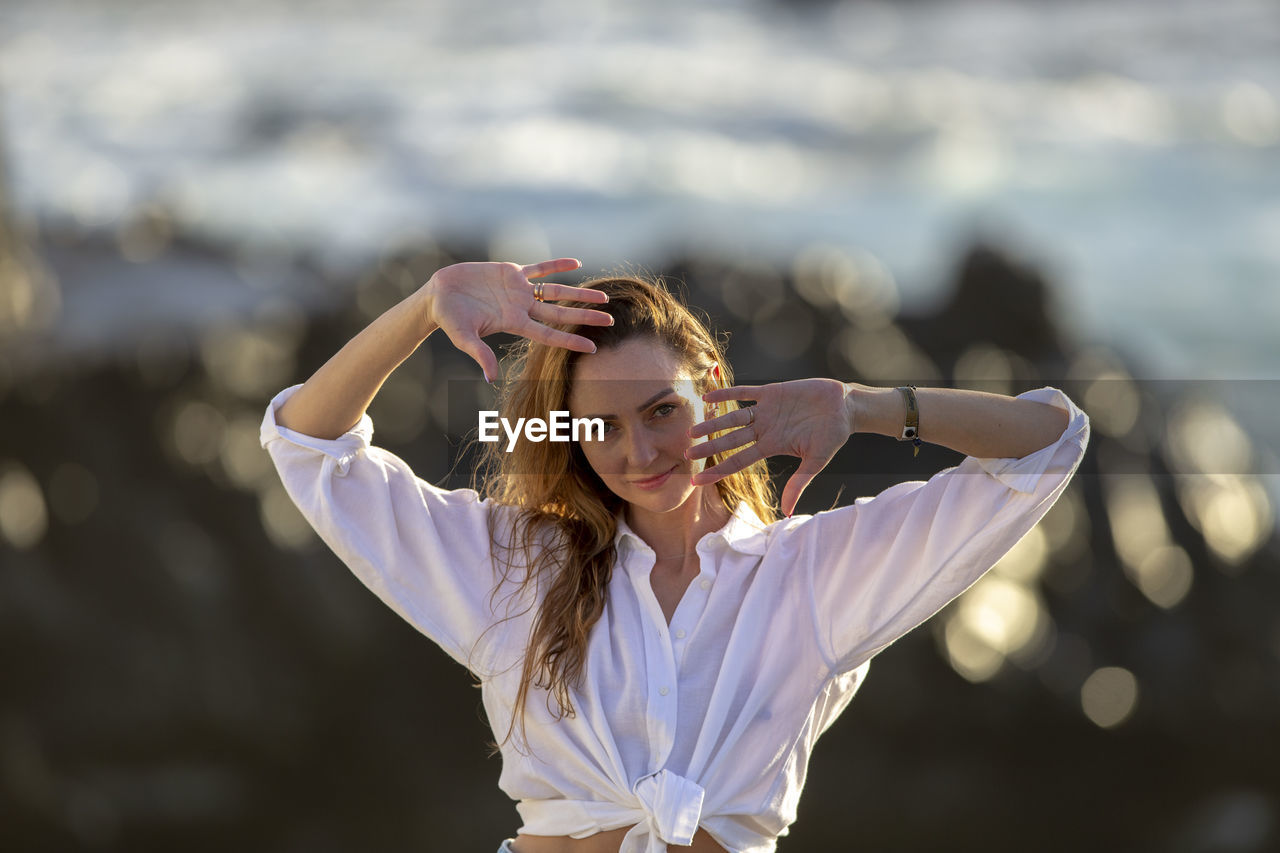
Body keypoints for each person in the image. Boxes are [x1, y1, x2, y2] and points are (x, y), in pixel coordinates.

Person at [260, 258, 1090, 853]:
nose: (639, 451)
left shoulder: (808, 577)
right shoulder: (514, 567)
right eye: (605, 427)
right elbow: (307, 444)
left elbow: (1048, 445)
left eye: (662, 409)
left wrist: (861, 406)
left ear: (713, 381)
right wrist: (425, 306)